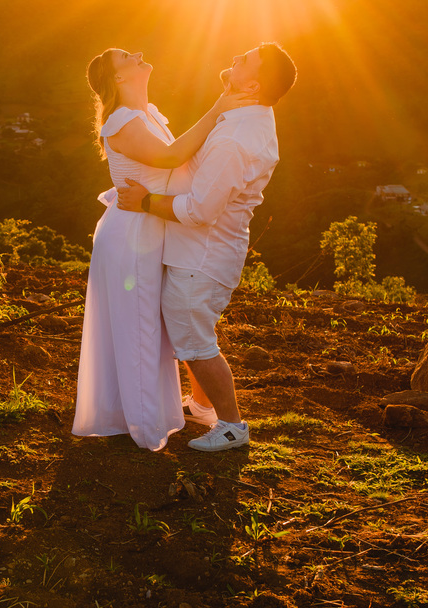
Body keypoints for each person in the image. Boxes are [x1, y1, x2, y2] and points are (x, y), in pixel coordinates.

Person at [71, 49, 254, 451]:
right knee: (139, 326)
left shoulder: (146, 114)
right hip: (132, 235)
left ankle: (192, 407)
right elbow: (172, 156)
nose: (137, 54)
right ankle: (143, 423)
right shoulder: (120, 121)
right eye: (126, 56)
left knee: (165, 323)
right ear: (117, 79)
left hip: (154, 229)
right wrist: (221, 105)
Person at [117, 43, 296, 452]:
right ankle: (200, 405)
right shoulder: (244, 116)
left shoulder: (236, 137)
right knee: (193, 333)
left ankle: (233, 425)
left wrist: (144, 201)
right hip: (201, 251)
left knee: (196, 343)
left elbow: (200, 210)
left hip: (202, 255)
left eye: (243, 60)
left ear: (252, 83)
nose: (232, 58)